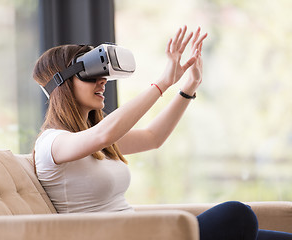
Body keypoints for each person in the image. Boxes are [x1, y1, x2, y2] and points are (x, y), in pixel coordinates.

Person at [32, 26, 292, 240]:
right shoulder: (52, 143)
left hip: (144, 233)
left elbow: (153, 138)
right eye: (90, 74)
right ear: (62, 84)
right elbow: (104, 135)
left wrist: (188, 87)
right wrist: (163, 81)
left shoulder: (89, 137)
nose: (102, 81)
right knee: (236, 214)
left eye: (103, 75)